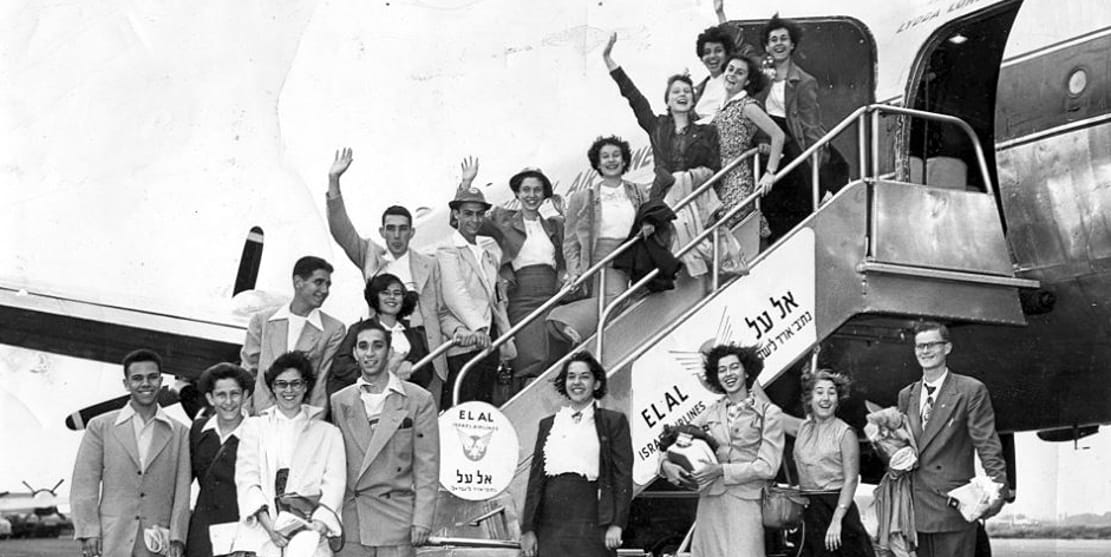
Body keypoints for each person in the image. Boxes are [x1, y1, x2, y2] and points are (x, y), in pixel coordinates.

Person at [326, 147, 450, 396]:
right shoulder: (370, 255)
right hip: (381, 340)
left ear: (412, 232)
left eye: (403, 229)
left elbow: (441, 308)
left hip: (423, 348)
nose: (396, 235)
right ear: (382, 232)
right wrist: (334, 181)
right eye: (390, 229)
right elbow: (342, 231)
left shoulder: (429, 263)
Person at [659, 344, 784, 557]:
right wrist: (665, 465)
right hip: (710, 503)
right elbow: (671, 442)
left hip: (746, 503)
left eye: (734, 367)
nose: (728, 374)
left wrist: (721, 470)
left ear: (746, 372)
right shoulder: (709, 413)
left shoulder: (769, 413)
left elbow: (768, 467)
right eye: (722, 369)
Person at [897, 321, 1008, 557]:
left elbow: (987, 444)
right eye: (920, 346)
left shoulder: (971, 390)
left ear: (947, 348)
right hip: (916, 509)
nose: (925, 351)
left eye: (931, 345)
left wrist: (997, 490)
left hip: (953, 507)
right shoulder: (906, 395)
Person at [330, 320, 440, 557]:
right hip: (352, 523)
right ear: (354, 353)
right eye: (363, 346)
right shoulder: (339, 401)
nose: (369, 353)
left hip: (396, 521)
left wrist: (422, 519)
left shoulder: (419, 399)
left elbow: (427, 467)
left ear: (389, 352)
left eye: (377, 346)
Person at [71, 349, 191, 557]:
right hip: (111, 539)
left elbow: (182, 490)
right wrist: (88, 530)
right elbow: (84, 484)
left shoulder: (179, 431)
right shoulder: (100, 426)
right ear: (126, 384)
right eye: (137, 378)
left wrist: (177, 537)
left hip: (158, 542)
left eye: (152, 377)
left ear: (161, 381)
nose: (146, 384)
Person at [460, 157, 565, 391]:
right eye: (526, 189)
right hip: (521, 298)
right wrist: (466, 185)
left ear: (545, 194)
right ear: (517, 194)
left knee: (556, 357)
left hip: (551, 296)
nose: (532, 195)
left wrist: (565, 212)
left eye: (538, 190)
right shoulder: (503, 220)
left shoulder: (554, 225)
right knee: (528, 358)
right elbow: (461, 220)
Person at [232, 351, 346, 557]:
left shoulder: (328, 433)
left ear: (306, 386)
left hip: (311, 536)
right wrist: (270, 528)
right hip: (263, 533)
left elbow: (334, 484)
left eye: (296, 383)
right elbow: (247, 480)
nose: (289, 390)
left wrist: (319, 524)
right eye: (281, 384)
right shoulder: (255, 428)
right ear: (272, 387)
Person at [520, 352, 633, 557]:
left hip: (593, 522)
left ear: (596, 383)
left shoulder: (613, 423)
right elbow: (535, 481)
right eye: (571, 376)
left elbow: (622, 477)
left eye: (584, 376)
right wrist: (527, 528)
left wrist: (617, 524)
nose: (577, 382)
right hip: (551, 525)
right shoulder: (548, 425)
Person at [547, 136, 649, 346]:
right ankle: (572, 322)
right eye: (605, 156)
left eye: (615, 155)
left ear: (624, 160)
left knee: (632, 308)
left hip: (637, 256)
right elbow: (570, 242)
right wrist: (575, 271)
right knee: (616, 302)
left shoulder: (639, 191)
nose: (611, 160)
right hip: (605, 261)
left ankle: (587, 333)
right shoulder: (583, 197)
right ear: (597, 162)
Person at [602, 32, 721, 199]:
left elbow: (715, 168)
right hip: (664, 200)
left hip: (696, 198)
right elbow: (633, 95)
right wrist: (608, 59)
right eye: (676, 91)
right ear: (668, 101)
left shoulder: (707, 132)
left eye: (687, 91)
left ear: (693, 101)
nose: (682, 95)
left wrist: (691, 178)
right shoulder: (657, 126)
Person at [437, 184, 516, 408]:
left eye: (479, 214)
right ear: (456, 215)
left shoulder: (487, 252)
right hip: (465, 342)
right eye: (468, 213)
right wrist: (478, 329)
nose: (474, 219)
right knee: (462, 409)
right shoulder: (448, 250)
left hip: (488, 341)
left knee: (485, 408)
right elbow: (456, 293)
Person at [783, 370, 875, 557]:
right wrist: (752, 379)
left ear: (837, 399)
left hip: (836, 508)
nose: (825, 398)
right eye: (819, 392)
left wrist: (837, 520)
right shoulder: (802, 429)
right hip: (808, 511)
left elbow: (851, 480)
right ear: (810, 398)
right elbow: (771, 412)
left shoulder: (845, 433)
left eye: (831, 392)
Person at [241, 256, 346, 414]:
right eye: (318, 282)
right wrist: (246, 415)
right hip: (261, 416)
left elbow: (321, 383)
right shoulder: (261, 321)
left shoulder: (333, 329)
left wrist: (313, 420)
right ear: (298, 282)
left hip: (301, 420)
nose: (325, 290)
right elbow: (248, 371)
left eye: (328, 285)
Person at [755, 15, 827, 240]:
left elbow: (811, 126)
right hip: (767, 145)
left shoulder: (804, 81)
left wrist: (814, 165)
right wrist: (720, 14)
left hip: (791, 144)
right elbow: (738, 47)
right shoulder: (761, 76)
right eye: (773, 39)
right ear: (766, 46)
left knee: (792, 209)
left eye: (783, 39)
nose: (778, 43)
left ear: (792, 44)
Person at [187, 363, 255, 557]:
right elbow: (184, 479)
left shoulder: (257, 431)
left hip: (241, 531)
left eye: (235, 394)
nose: (228, 402)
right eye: (221, 395)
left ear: (245, 395)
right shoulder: (198, 430)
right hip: (202, 532)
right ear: (210, 398)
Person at [329, 273, 433, 399]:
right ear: (375, 296)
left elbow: (426, 371)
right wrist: (382, 371)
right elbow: (341, 367)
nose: (392, 297)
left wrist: (410, 368)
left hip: (404, 402)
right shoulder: (359, 329)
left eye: (397, 293)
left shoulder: (413, 331)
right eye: (385, 293)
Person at [712, 53, 785, 231]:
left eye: (739, 73)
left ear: (746, 81)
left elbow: (778, 135)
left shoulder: (747, 105)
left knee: (730, 230)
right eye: (730, 69)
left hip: (736, 178)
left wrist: (770, 172)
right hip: (720, 178)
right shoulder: (722, 105)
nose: (732, 75)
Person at [693, 0, 760, 123]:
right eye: (707, 52)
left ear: (727, 54)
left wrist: (720, 14)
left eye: (718, 51)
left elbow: (743, 51)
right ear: (701, 58)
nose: (712, 56)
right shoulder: (699, 89)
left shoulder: (734, 81)